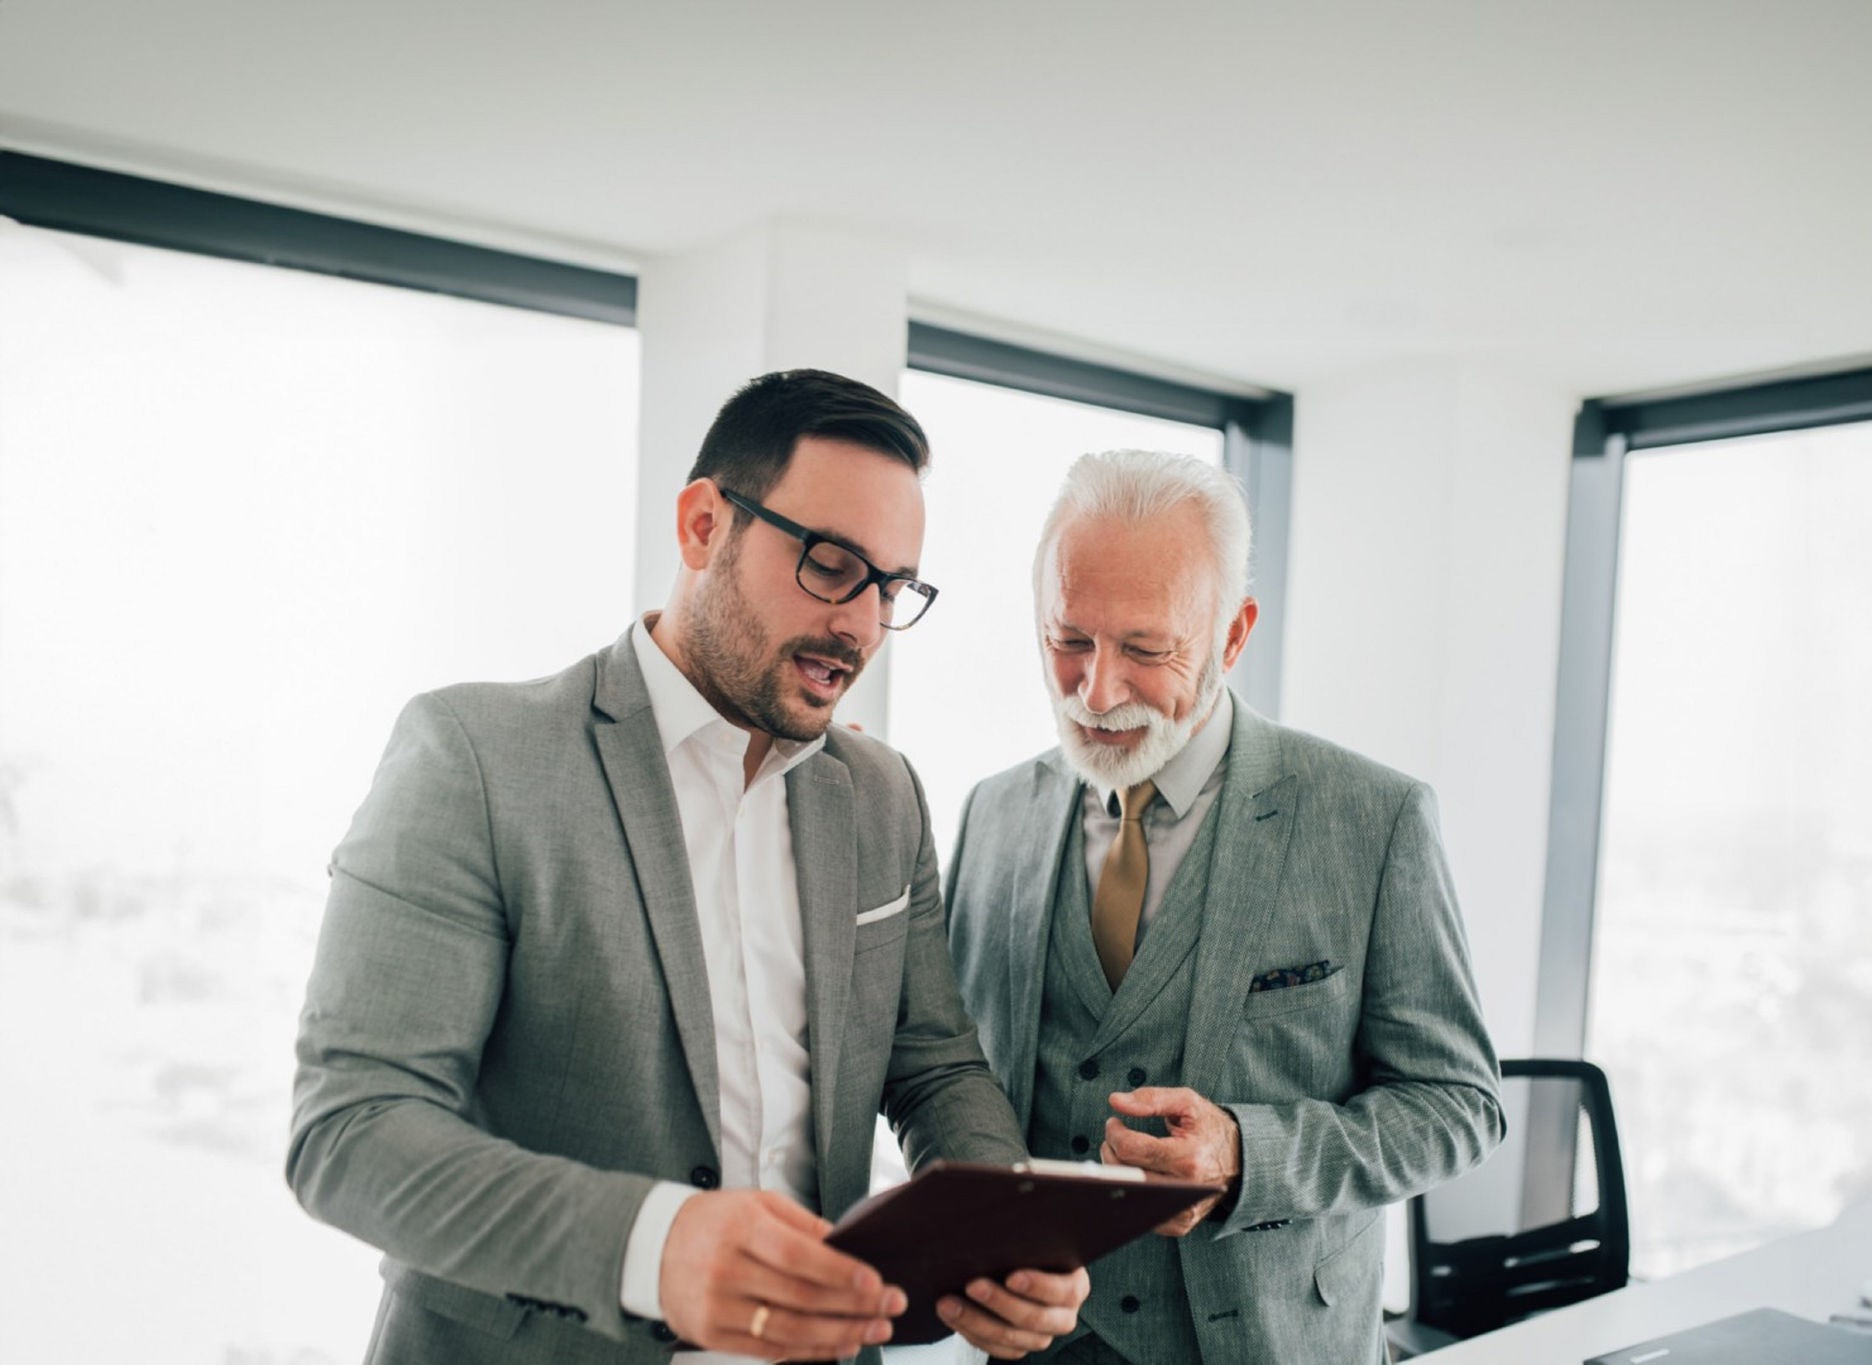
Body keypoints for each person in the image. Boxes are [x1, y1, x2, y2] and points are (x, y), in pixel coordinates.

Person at [290, 369, 1087, 1364]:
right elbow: (351, 1131)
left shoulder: (881, 794)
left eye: (892, 589)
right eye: (832, 564)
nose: (861, 626)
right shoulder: (477, 756)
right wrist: (653, 1244)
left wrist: (1002, 1231)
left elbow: (931, 1066)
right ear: (703, 526)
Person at [946, 450, 1505, 1364]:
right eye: (1070, 640)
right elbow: (949, 1071)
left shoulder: (1373, 818)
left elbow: (1459, 1104)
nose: (1096, 692)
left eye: (1145, 649)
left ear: (1233, 634)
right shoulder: (992, 813)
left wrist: (1251, 1152)